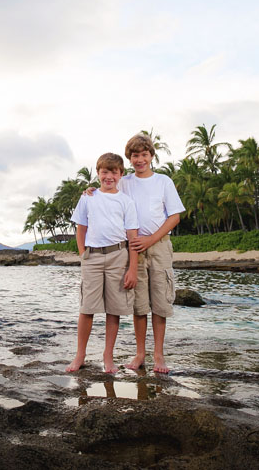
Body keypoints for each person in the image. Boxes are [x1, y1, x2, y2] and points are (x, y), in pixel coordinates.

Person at [85, 133, 184, 373]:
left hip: (158, 245)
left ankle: (159, 355)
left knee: (160, 302)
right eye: (135, 155)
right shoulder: (125, 181)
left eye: (144, 154)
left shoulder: (163, 181)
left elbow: (175, 216)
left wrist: (152, 238)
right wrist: (90, 190)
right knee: (139, 305)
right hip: (133, 248)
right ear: (129, 159)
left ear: (151, 156)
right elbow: (106, 188)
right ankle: (140, 353)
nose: (140, 159)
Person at [65, 152, 139, 374]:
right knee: (87, 308)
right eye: (104, 172)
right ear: (98, 174)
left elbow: (133, 237)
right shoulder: (88, 197)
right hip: (92, 257)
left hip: (118, 255)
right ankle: (80, 355)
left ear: (121, 174)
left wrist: (132, 268)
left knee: (113, 309)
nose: (109, 176)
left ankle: (108, 356)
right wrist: (82, 254)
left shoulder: (126, 201)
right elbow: (81, 228)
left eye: (113, 172)